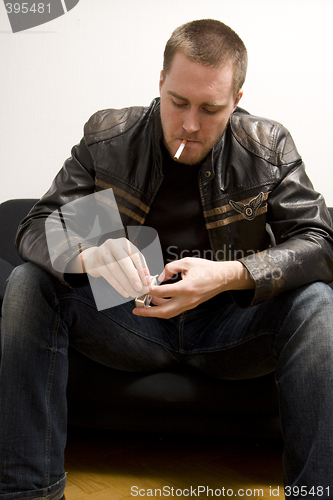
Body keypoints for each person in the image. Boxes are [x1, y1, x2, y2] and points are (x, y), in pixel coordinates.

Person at [1, 18, 333, 500]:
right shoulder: (107, 136)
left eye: (211, 109)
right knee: (28, 284)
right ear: (160, 83)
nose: (190, 124)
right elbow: (36, 227)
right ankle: (25, 493)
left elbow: (320, 242)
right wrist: (88, 253)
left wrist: (229, 275)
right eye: (178, 102)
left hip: (231, 328)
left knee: (317, 304)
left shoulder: (267, 146)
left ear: (237, 101)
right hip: (133, 319)